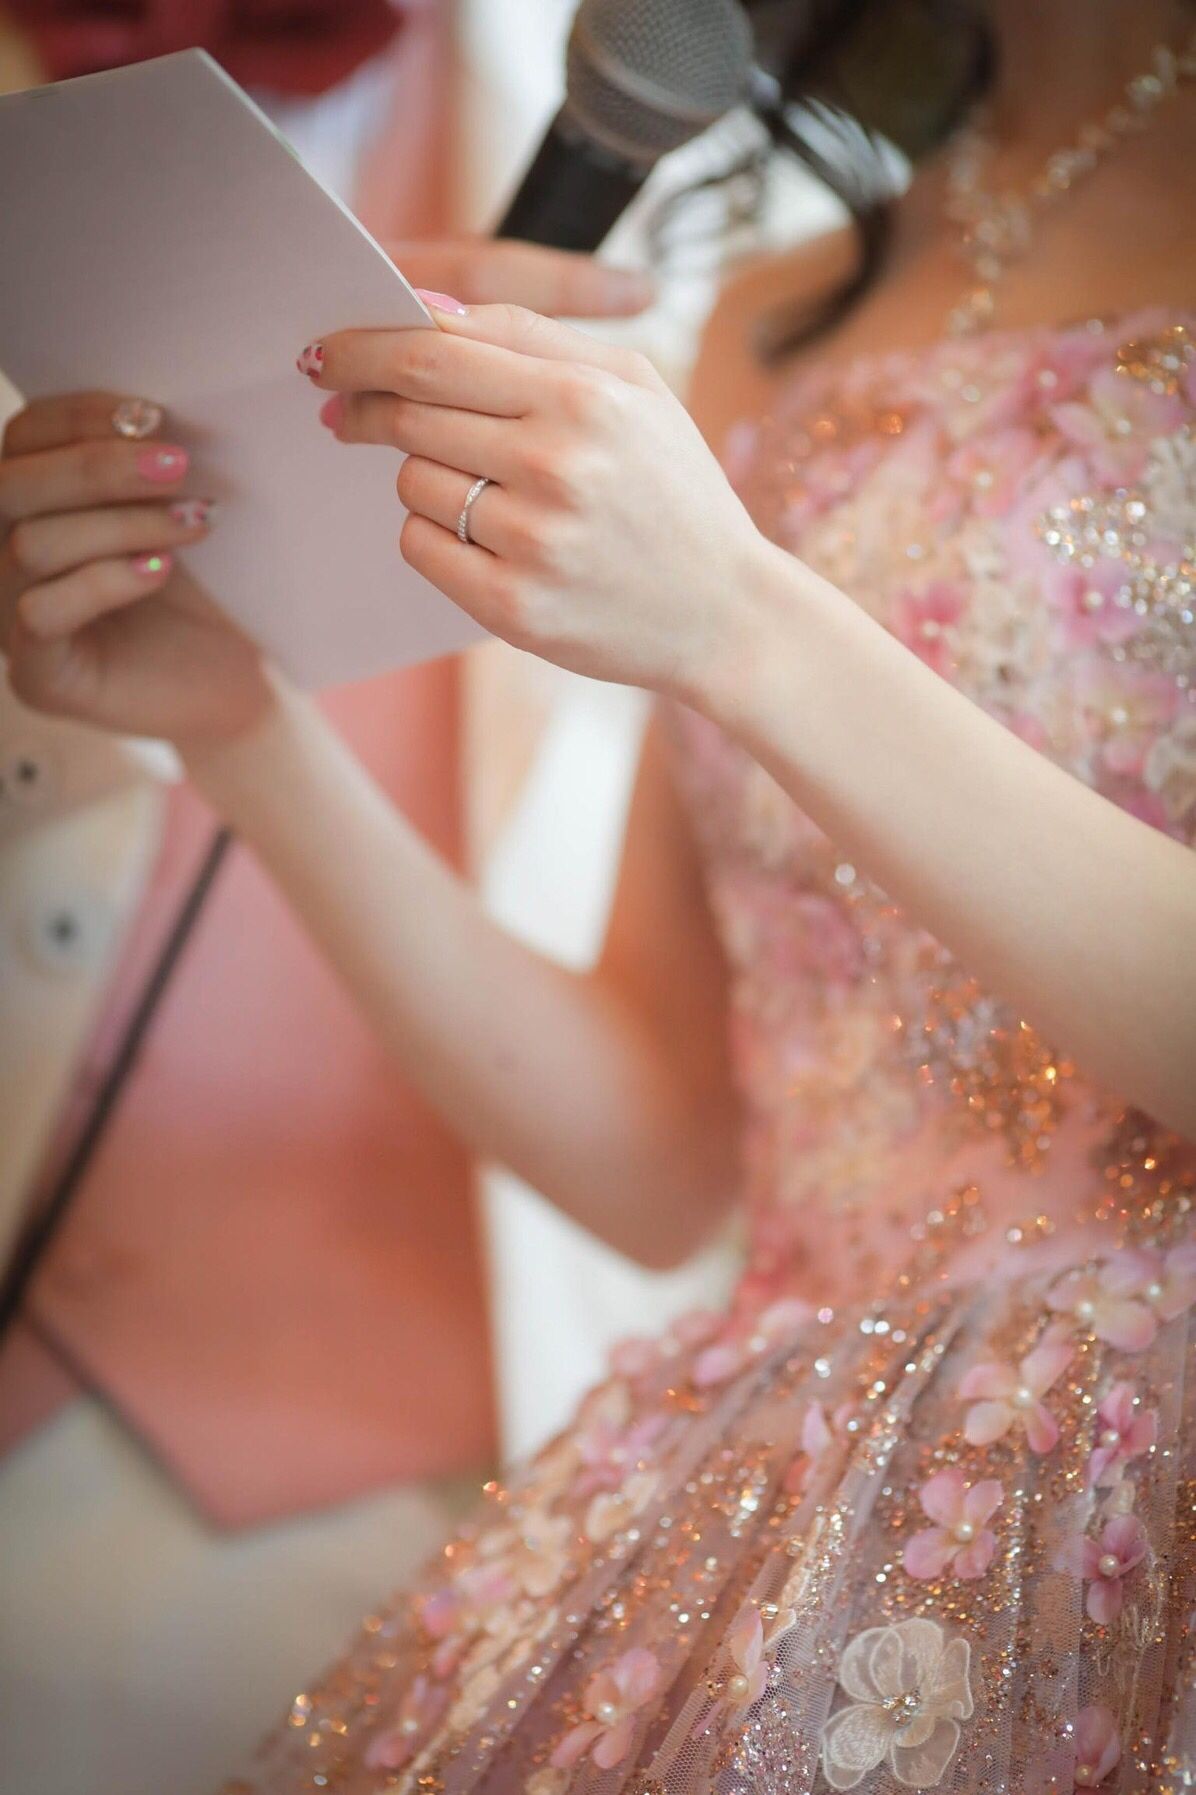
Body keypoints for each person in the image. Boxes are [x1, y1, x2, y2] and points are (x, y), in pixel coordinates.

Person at [4, 0, 1196, 1786]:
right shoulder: (781, 312)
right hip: (799, 1472)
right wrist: (239, 729)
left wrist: (741, 622)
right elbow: (659, 1156)